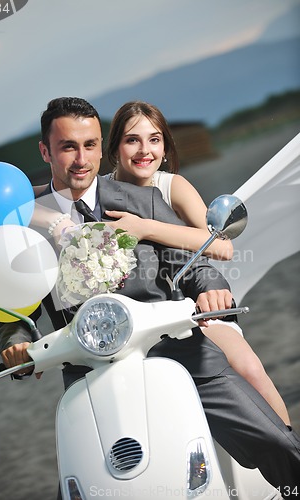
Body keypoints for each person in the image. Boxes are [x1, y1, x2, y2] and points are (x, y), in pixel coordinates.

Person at [0, 97, 300, 495]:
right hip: (90, 372)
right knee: (82, 487)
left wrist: (212, 290)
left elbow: (191, 265)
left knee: (277, 443)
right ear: (45, 151)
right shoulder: (24, 223)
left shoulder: (142, 200)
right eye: (68, 146)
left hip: (180, 352)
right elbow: (14, 309)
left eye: (89, 145)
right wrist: (17, 345)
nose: (81, 158)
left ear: (100, 144)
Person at [32, 100, 291, 426]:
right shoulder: (96, 190)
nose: (144, 151)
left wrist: (144, 227)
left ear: (165, 146)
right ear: (112, 148)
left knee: (248, 368)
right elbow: (27, 200)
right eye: (132, 140)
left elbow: (223, 248)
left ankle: (287, 449)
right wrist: (54, 220)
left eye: (154, 139)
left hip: (190, 304)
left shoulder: (171, 186)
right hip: (127, 323)